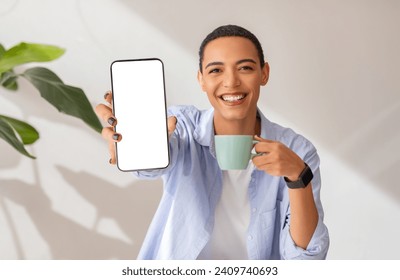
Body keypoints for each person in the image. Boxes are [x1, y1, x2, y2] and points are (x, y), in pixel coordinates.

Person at [95, 24, 329, 260]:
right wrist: (133, 142)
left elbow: (307, 259)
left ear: (264, 73)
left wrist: (298, 177)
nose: (231, 82)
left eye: (245, 68)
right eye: (216, 70)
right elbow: (149, 166)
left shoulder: (297, 150)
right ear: (201, 80)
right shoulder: (183, 126)